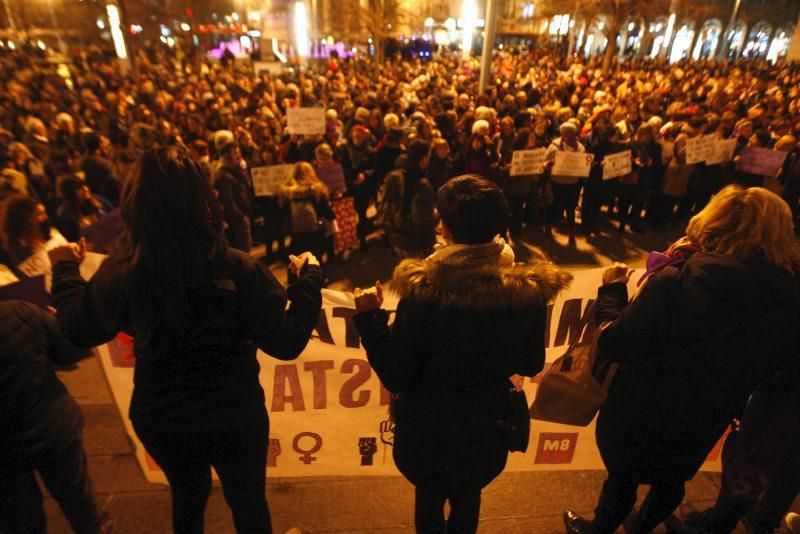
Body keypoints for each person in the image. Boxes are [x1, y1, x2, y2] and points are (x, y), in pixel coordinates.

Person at [48, 146, 324, 533]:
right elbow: (286, 341)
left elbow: (79, 329)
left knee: (187, 497)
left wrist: (65, 272)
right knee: (248, 502)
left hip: (163, 415)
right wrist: (308, 282)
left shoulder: (123, 272)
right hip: (233, 414)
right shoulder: (237, 268)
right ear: (202, 200)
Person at [564, 185, 800, 534]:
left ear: (714, 224)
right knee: (672, 480)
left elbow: (614, 342)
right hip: (707, 416)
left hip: (641, 407)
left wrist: (612, 291)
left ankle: (601, 528)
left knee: (623, 478)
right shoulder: (789, 301)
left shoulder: (675, 282)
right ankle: (642, 526)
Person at [353, 175, 571, 533]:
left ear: (446, 228)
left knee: (428, 499)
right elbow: (530, 363)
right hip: (485, 428)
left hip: (426, 431)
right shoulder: (525, 293)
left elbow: (395, 373)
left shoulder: (424, 293)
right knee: (469, 497)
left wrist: (369, 319)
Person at [0, 300, 112, 534]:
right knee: (76, 493)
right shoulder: (20, 312)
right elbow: (71, 353)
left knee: (19, 512)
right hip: (52, 428)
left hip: (6, 447)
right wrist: (59, 322)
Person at [377, 139, 438, 258]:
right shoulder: (422, 184)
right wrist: (436, 215)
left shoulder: (395, 175)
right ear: (424, 158)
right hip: (417, 242)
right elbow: (423, 222)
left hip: (397, 237)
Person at [278, 161, 335, 263]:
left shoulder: (285, 192)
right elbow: (329, 215)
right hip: (315, 231)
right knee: (316, 259)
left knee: (298, 261)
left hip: (296, 233)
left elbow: (281, 215)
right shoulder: (317, 189)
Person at [212, 130, 253, 252]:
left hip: (241, 215)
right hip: (237, 220)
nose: (239, 156)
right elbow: (228, 201)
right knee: (243, 249)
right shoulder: (224, 174)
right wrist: (240, 216)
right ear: (226, 156)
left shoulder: (235, 170)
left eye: (239, 153)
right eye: (235, 153)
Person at [55, 176, 113, 243]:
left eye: (84, 185)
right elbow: (72, 240)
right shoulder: (65, 215)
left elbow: (114, 216)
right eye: (79, 188)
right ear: (69, 194)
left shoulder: (97, 199)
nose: (85, 189)